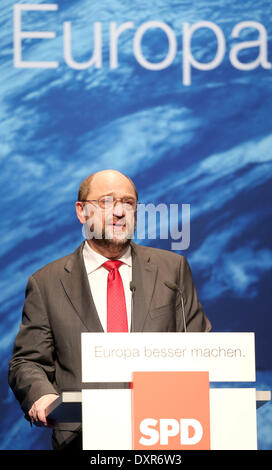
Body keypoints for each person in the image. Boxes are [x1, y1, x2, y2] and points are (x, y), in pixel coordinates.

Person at [8, 169, 211, 450]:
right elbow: (28, 361)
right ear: (81, 212)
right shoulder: (46, 283)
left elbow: (200, 349)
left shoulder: (171, 271)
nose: (119, 212)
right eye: (106, 202)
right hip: (81, 440)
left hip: (162, 436)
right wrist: (41, 397)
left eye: (128, 203)